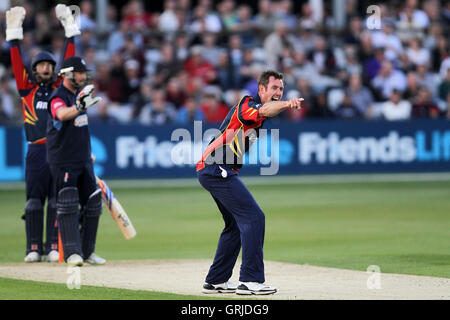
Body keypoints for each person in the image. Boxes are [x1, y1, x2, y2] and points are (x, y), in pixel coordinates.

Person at [196, 70, 303, 295]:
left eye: (281, 89)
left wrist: (280, 104)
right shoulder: (248, 103)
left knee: (235, 225)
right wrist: (287, 104)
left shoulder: (260, 112)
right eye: (274, 88)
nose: (279, 92)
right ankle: (251, 280)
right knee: (254, 217)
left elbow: (266, 113)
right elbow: (265, 109)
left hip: (215, 169)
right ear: (261, 89)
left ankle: (216, 281)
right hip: (216, 168)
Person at [6, 5, 78, 263]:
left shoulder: (61, 88)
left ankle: (53, 247)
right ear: (34, 70)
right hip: (36, 150)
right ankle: (33, 247)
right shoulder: (27, 88)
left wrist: (71, 33)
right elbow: (15, 62)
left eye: (49, 65)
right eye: (41, 65)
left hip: (58, 152)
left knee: (58, 202)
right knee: (34, 203)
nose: (46, 69)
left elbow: (70, 64)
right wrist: (13, 34)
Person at [46, 56, 105, 267]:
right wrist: (79, 107)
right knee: (68, 201)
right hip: (63, 160)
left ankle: (87, 251)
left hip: (82, 159)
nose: (83, 76)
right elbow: (60, 114)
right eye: (79, 72)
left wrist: (88, 152)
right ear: (68, 74)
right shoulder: (58, 96)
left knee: (94, 200)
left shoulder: (78, 97)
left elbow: (80, 128)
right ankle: (72, 253)